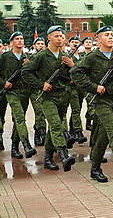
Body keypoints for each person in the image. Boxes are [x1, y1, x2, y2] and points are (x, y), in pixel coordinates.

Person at [70, 25, 113, 184]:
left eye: (112, 35)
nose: (111, 37)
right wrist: (94, 88)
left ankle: (95, 168)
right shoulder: (92, 57)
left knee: (102, 137)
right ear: (98, 39)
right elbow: (75, 73)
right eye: (106, 34)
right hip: (101, 102)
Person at [22, 26, 76, 172]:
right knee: (56, 125)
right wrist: (41, 85)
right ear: (49, 38)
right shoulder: (42, 55)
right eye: (57, 36)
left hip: (63, 95)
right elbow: (26, 72)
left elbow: (76, 76)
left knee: (54, 127)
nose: (60, 38)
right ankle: (64, 154)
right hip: (48, 97)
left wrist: (72, 67)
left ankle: (48, 158)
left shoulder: (65, 56)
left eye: (62, 36)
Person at [0, 32, 37, 159]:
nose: (20, 41)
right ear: (11, 42)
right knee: (20, 117)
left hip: (24, 91)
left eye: (21, 39)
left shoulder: (28, 58)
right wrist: (3, 82)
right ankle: (26, 144)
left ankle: (14, 147)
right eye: (17, 39)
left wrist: (29, 66)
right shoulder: (5, 57)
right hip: (11, 91)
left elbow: (34, 74)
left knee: (17, 120)